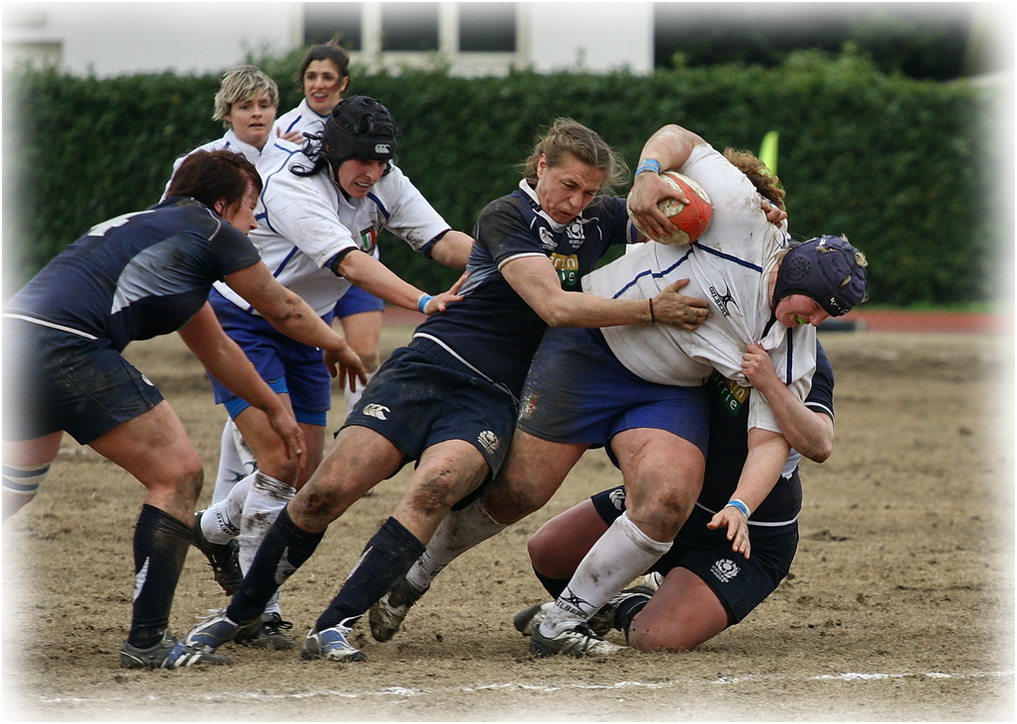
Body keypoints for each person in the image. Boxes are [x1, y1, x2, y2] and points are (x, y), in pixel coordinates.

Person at [180, 117, 713, 663]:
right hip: (433, 365)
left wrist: (735, 196)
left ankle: (332, 625)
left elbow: (682, 184)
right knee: (327, 491)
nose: (577, 202)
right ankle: (237, 613)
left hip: (493, 395)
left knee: (435, 490)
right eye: (569, 185)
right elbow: (554, 307)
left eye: (591, 192)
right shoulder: (506, 215)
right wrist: (652, 310)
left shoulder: (594, 219)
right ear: (541, 166)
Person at [367, 128, 867, 658]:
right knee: (521, 493)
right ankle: (417, 574)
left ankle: (563, 622)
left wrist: (742, 504)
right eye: (812, 306)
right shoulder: (738, 213)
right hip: (590, 352)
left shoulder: (792, 347)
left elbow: (787, 442)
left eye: (824, 316)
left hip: (669, 391)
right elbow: (681, 138)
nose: (813, 321)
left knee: (668, 495)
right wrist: (648, 177)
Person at [1, 149, 366, 670]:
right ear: (220, 203)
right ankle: (148, 639)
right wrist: (337, 344)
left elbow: (216, 348)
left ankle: (149, 637)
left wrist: (273, 408)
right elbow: (282, 306)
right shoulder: (213, 231)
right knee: (178, 474)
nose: (254, 219)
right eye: (249, 205)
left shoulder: (164, 235)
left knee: (13, 486)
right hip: (66, 348)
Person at [188, 94, 473, 649]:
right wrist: (423, 302)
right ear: (335, 152)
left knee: (306, 466)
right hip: (243, 318)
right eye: (362, 161)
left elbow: (440, 241)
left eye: (382, 162)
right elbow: (351, 263)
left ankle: (213, 527)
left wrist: (509, 258)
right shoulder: (295, 184)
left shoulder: (384, 179)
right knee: (277, 458)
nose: (372, 172)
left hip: (304, 325)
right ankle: (260, 608)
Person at [511, 337, 836, 653]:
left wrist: (770, 383)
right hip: (673, 500)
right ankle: (603, 603)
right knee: (548, 551)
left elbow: (820, 443)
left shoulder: (800, 354)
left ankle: (627, 604)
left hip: (747, 534)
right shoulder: (709, 323)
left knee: (654, 636)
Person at [161, 65, 281, 200]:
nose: (257, 113)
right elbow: (169, 213)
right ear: (227, 113)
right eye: (245, 107)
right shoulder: (200, 163)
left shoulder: (299, 155)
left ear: (275, 109)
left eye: (264, 106)